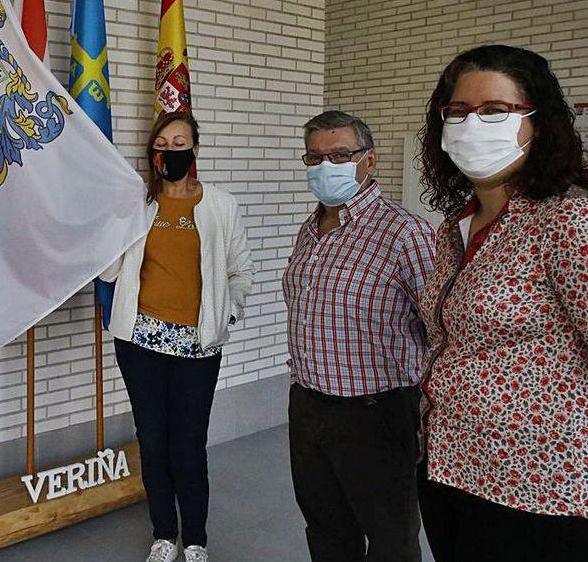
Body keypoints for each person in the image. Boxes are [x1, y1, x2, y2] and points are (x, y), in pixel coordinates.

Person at [416, 44, 588, 561]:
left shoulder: (573, 223)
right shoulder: (454, 228)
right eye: (458, 112)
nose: (471, 124)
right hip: (452, 469)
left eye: (495, 111)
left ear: (539, 124)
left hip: (546, 489)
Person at [100, 111, 254, 562]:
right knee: (152, 441)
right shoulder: (139, 206)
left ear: (196, 150)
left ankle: (196, 540)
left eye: (180, 143)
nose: (171, 152)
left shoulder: (221, 206)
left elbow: (241, 272)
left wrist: (226, 311)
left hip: (196, 347)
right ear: (153, 153)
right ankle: (164, 535)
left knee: (187, 446)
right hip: (139, 343)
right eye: (162, 145)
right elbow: (110, 271)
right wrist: (112, 224)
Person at [283, 110, 435, 562]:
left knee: (390, 540)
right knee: (326, 530)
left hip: (377, 415)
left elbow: (441, 328)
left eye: (340, 154)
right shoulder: (310, 230)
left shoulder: (404, 233)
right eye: (315, 157)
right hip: (308, 408)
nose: (326, 166)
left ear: (369, 161)